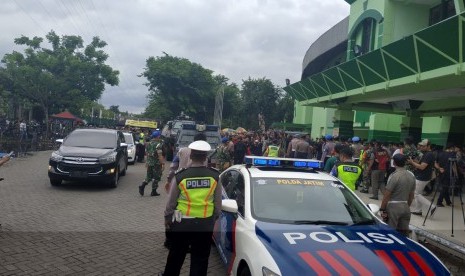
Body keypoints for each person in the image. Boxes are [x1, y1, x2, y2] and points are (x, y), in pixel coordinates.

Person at [161, 140, 221, 276]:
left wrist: (167, 219)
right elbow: (218, 205)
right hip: (205, 224)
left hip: (182, 223)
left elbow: (171, 202)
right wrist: (214, 219)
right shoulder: (215, 176)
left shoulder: (181, 175)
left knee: (176, 256)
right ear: (206, 157)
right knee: (200, 259)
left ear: (191, 156)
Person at [380, 154, 416, 237]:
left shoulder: (394, 176)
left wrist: (382, 208)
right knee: (403, 235)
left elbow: (387, 194)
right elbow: (411, 195)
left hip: (393, 207)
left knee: (390, 234)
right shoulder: (411, 176)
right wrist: (407, 206)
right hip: (405, 207)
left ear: (394, 163)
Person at [408, 139, 437, 216]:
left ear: (428, 146)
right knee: (418, 193)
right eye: (420, 145)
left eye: (423, 146)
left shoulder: (428, 155)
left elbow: (422, 167)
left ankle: (432, 207)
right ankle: (418, 210)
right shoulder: (426, 154)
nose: (421, 147)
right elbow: (421, 164)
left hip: (422, 177)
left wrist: (412, 163)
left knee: (415, 194)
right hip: (423, 176)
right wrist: (414, 161)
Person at [138, 130, 164, 196]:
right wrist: (162, 163)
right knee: (156, 177)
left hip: (150, 163)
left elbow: (147, 153)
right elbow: (159, 155)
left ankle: (142, 186)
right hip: (156, 164)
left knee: (148, 176)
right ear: (158, 136)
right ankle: (153, 191)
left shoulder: (149, 144)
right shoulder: (158, 144)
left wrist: (147, 161)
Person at [435, 142, 456, 207]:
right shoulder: (453, 154)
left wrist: (439, 168)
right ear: (452, 148)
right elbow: (454, 165)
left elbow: (435, 163)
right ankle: (439, 202)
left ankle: (448, 202)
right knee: (445, 187)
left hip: (441, 172)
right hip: (448, 173)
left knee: (445, 187)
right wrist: (455, 174)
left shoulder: (440, 153)